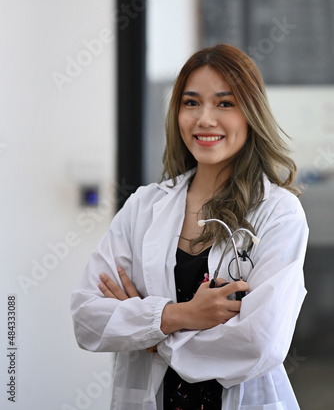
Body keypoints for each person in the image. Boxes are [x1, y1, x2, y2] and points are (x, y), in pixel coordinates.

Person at [71, 44, 308, 410]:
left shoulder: (278, 212)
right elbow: (87, 318)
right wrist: (180, 315)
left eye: (225, 103)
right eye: (191, 102)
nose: (204, 119)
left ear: (251, 113)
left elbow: (260, 343)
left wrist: (151, 335)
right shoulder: (144, 207)